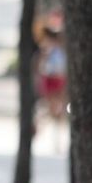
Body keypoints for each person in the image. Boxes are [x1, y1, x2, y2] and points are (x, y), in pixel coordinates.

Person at [38, 22, 68, 154]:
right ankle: (43, 127)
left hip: (58, 80)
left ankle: (55, 136)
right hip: (52, 80)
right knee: (54, 109)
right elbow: (42, 66)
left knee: (57, 110)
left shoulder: (59, 50)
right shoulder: (48, 50)